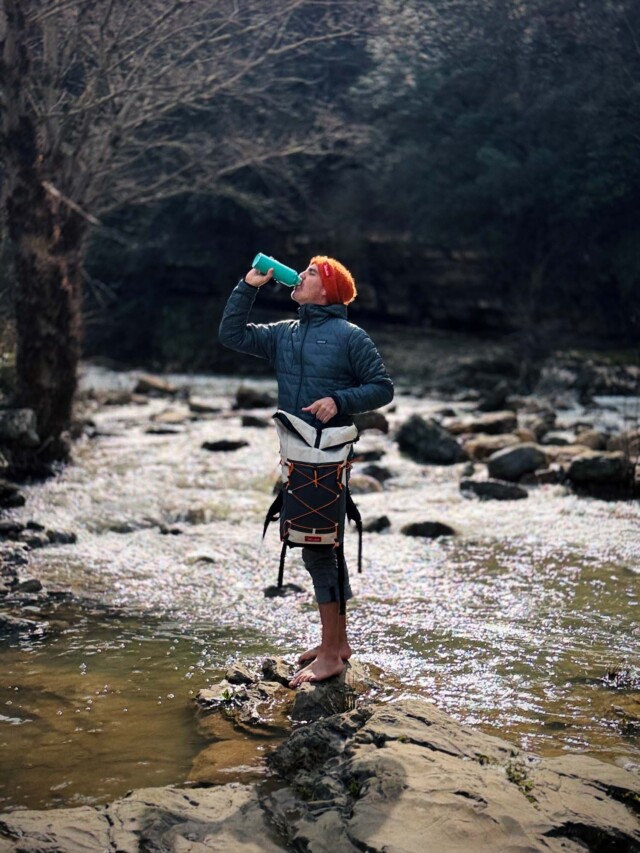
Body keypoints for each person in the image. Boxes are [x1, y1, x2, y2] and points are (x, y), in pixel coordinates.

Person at [218, 256, 394, 687]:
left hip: (328, 458)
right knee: (327, 545)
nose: (301, 274)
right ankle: (338, 644)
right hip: (297, 455)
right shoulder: (284, 333)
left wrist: (338, 399)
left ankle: (331, 653)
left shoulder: (351, 336)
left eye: (312, 273)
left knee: (318, 548)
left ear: (327, 291)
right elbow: (231, 335)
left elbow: (382, 388)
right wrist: (248, 285)